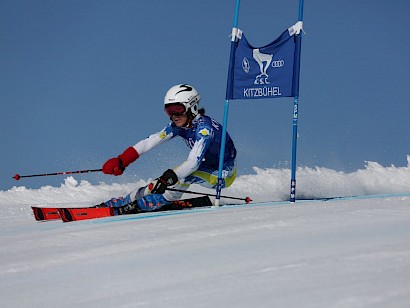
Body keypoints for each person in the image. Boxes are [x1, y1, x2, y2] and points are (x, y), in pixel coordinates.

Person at [102, 84, 237, 212]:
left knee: (185, 176)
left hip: (222, 174)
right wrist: (122, 160)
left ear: (192, 108)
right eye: (169, 111)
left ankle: (158, 201)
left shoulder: (204, 130)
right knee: (157, 183)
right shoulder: (179, 125)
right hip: (205, 167)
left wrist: (168, 178)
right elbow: (150, 142)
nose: (174, 116)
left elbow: (193, 163)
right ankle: (124, 202)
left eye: (178, 110)